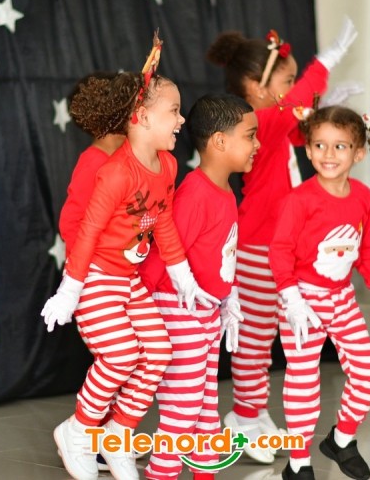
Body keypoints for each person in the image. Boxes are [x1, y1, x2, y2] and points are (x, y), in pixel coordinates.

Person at [40, 34, 218, 480]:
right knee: (120, 356)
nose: (182, 119)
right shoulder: (115, 173)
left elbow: (163, 223)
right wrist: (69, 292)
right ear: (141, 117)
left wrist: (184, 278)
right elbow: (86, 232)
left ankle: (116, 436)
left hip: (129, 280)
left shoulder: (168, 166)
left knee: (158, 352)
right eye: (174, 111)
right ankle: (78, 432)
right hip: (97, 278)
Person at [207, 19, 358, 461]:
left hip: (278, 245)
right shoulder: (256, 122)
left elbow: (299, 125)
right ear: (257, 87)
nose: (293, 89)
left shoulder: (270, 124)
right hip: (258, 245)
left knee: (269, 336)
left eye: (294, 81)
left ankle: (253, 412)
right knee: (255, 338)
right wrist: (323, 65)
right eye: (286, 81)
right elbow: (294, 107)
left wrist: (327, 109)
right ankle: (243, 415)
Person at [268, 106, 370, 480]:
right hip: (302, 301)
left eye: (340, 146)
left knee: (367, 369)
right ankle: (298, 462)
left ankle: (341, 440)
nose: (328, 154)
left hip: (342, 299)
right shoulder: (299, 200)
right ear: (308, 150)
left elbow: (367, 250)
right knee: (303, 379)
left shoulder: (363, 197)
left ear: (358, 153)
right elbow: (280, 251)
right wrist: (291, 298)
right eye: (319, 145)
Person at [138, 93, 259, 479]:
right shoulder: (194, 193)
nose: (257, 144)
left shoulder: (225, 192)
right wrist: (140, 310)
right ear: (220, 141)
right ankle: (161, 473)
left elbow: (223, 256)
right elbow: (161, 257)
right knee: (182, 409)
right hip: (179, 313)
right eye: (250, 136)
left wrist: (229, 297)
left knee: (206, 407)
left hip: (206, 315)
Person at [59, 71, 126, 250]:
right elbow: (71, 222)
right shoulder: (93, 164)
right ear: (112, 114)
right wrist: (88, 263)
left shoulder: (127, 158)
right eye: (128, 106)